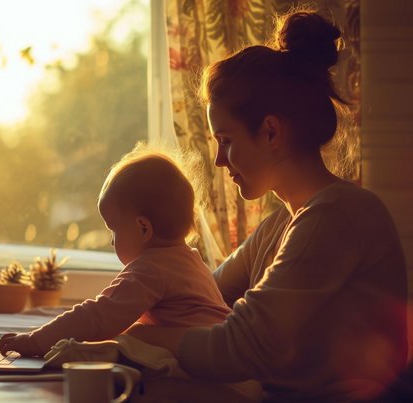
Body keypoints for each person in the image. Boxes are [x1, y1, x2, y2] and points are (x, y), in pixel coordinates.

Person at [125, 9, 409, 402]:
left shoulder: (337, 216)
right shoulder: (284, 223)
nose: (220, 161)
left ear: (271, 132)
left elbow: (236, 349)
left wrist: (133, 337)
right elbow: (205, 296)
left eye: (225, 140)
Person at [0, 145, 232, 357]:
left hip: (209, 376)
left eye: (114, 230)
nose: (112, 242)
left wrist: (35, 341)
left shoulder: (152, 268)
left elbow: (96, 316)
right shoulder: (190, 260)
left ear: (143, 228)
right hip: (231, 365)